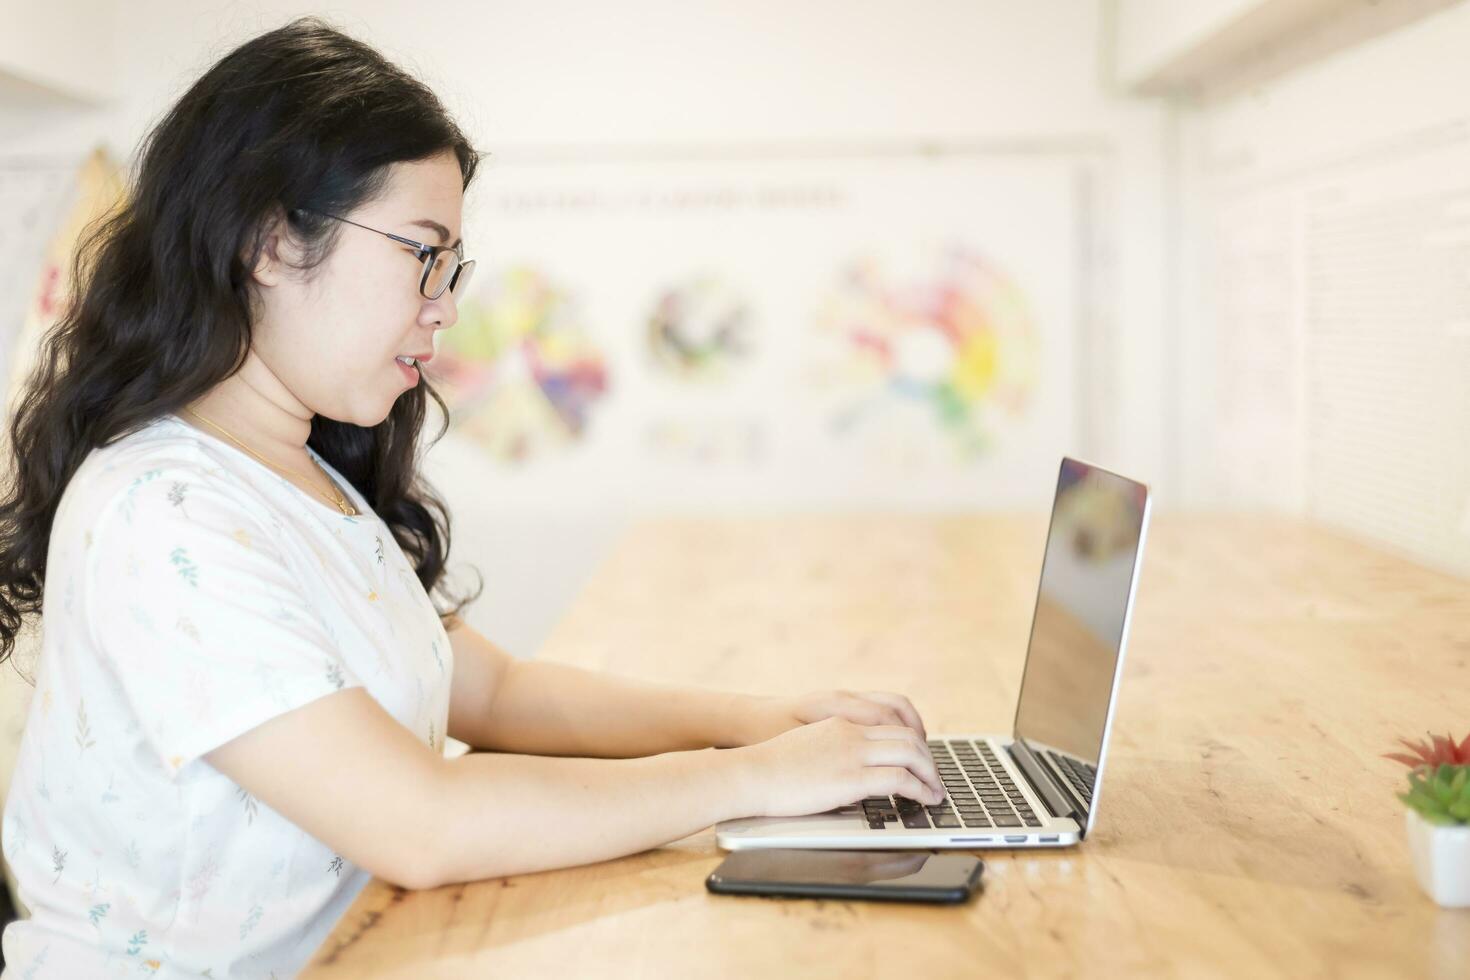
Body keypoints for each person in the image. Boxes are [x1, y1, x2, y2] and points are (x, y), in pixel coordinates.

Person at [0, 16, 944, 978]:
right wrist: (749, 780)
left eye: (452, 266)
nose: (446, 302)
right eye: (422, 254)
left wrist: (751, 720)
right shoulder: (160, 512)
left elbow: (491, 691)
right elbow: (421, 824)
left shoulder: (307, 472)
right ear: (273, 241)